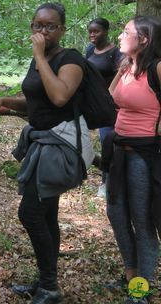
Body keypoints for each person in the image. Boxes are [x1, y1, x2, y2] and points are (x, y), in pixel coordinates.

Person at [0, 3, 89, 304]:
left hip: (59, 147)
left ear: (63, 30)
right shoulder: (38, 61)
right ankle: (46, 282)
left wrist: (40, 56)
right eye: (37, 25)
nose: (42, 31)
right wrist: (6, 99)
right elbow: (36, 103)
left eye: (50, 26)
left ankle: (51, 287)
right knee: (47, 215)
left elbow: (59, 96)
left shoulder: (71, 60)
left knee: (29, 213)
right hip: (41, 144)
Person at [105, 16, 161, 304]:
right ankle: (130, 273)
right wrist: (123, 67)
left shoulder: (158, 69)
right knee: (115, 212)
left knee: (142, 220)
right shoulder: (127, 68)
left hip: (144, 156)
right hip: (118, 151)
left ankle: (140, 289)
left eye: (126, 32)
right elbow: (110, 97)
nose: (120, 36)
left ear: (144, 39)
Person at [86, 17, 122, 198]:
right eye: (90, 31)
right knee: (104, 144)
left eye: (96, 31)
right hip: (95, 105)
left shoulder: (116, 53)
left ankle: (108, 183)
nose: (92, 35)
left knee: (111, 144)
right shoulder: (90, 50)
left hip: (113, 107)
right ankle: (106, 180)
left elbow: (121, 79)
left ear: (106, 31)